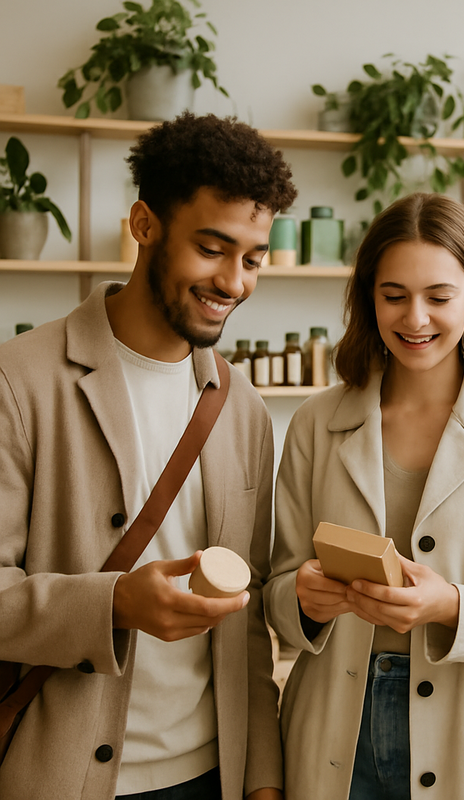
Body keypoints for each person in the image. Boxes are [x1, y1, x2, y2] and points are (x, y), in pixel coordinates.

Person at [0, 113, 297, 800]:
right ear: (143, 225)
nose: (233, 281)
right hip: (58, 776)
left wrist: (261, 780)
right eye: (213, 248)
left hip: (210, 775)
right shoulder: (19, 383)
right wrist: (114, 605)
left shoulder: (243, 408)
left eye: (253, 258)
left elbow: (247, 620)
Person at [265, 192, 464, 800]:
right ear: (368, 297)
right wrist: (303, 598)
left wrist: (449, 606)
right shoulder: (315, 422)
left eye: (439, 297)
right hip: (335, 732)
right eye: (393, 296)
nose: (415, 319)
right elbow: (276, 590)